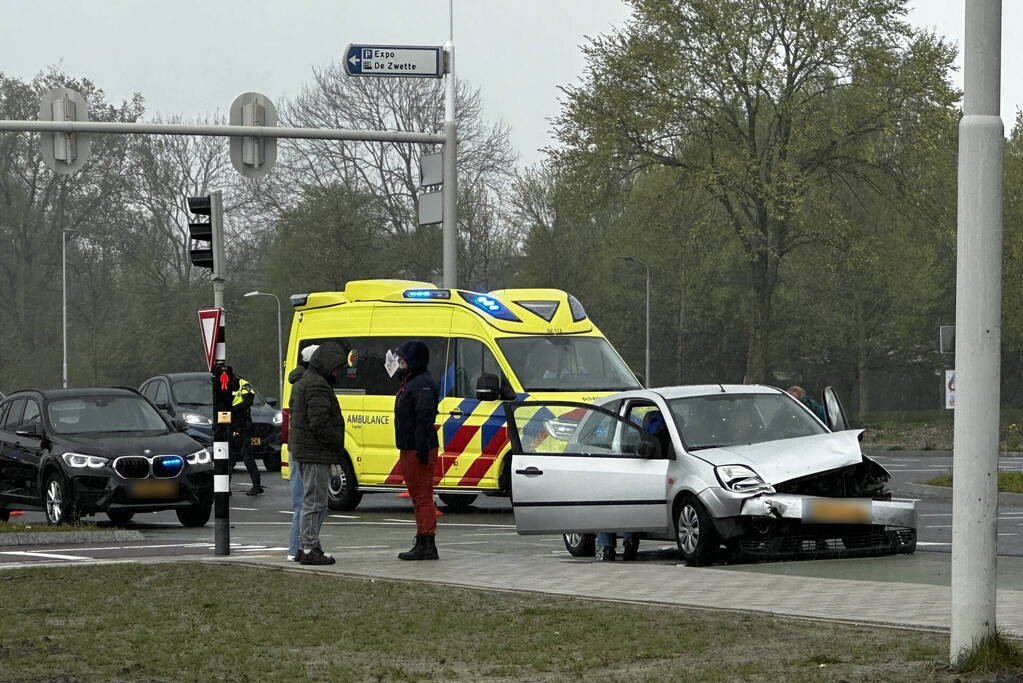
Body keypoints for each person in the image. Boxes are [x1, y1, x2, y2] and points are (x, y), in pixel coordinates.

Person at [290, 341, 347, 566]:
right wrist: (335, 443)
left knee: (310, 501)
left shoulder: (308, 381)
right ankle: (309, 547)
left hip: (306, 450)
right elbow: (319, 421)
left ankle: (307, 545)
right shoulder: (318, 385)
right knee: (315, 502)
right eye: (337, 367)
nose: (338, 372)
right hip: (315, 453)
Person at [393, 340, 440, 561]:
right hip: (410, 444)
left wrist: (421, 447)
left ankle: (427, 541)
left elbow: (423, 415)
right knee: (417, 495)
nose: (400, 361)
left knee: (422, 496)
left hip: (418, 446)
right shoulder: (411, 381)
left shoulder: (421, 383)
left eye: (404, 358)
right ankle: (423, 538)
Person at [287, 345, 329, 563]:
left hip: (297, 448)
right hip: (307, 451)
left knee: (305, 502)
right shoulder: (311, 384)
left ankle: (304, 546)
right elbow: (317, 421)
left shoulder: (298, 382)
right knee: (310, 502)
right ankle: (301, 548)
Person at [231, 376, 262, 496]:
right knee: (229, 456)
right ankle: (224, 487)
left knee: (246, 456)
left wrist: (233, 409)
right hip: (231, 424)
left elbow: (248, 401)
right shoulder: (223, 385)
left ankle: (256, 485)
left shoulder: (244, 384)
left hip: (243, 425)